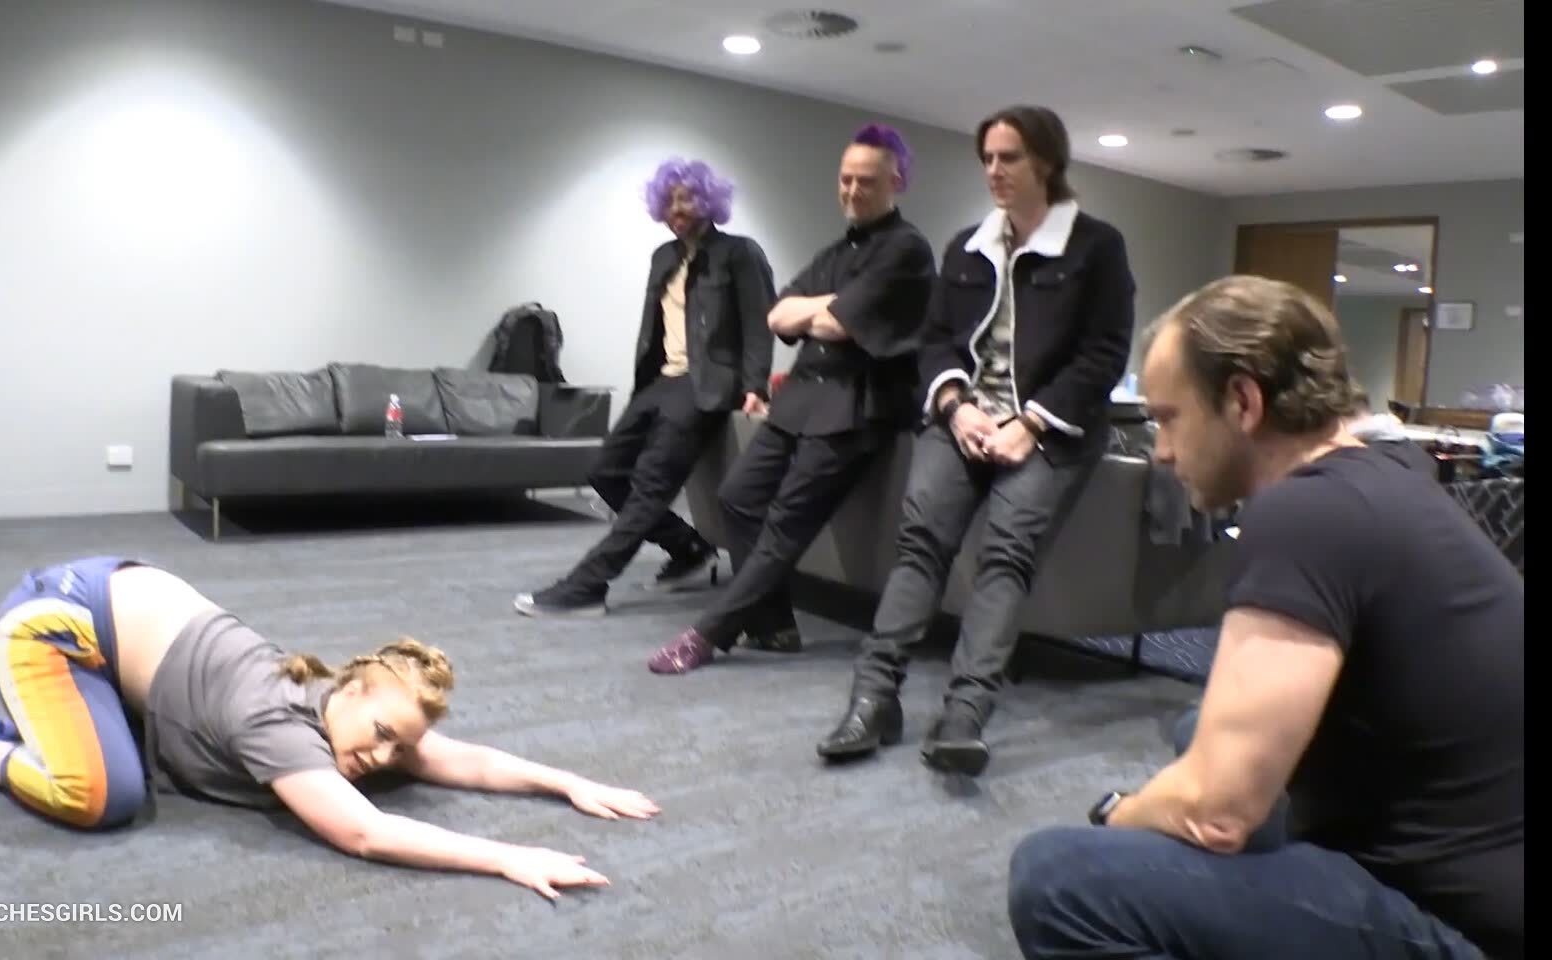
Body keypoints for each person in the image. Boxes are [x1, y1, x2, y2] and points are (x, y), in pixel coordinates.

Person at [1007, 276, 1523, 959]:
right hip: (1478, 848)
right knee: (1197, 730)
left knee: (1057, 879)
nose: (1160, 450)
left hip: (1462, 925)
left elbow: (1215, 814)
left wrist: (1117, 814)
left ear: (1243, 402)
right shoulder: (1388, 470)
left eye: (1169, 418)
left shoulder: (1303, 513)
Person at [0, 557, 660, 900]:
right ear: (349, 688)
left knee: (132, 755)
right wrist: (508, 856)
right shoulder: (279, 721)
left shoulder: (343, 703)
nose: (384, 755)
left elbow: (461, 761)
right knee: (104, 796)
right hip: (55, 625)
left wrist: (567, 783)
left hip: (129, 622)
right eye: (380, 732)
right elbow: (363, 833)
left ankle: (90, 719)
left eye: (398, 745)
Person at [815, 105, 1136, 775]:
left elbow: (1103, 355)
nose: (994, 170)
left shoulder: (1096, 247)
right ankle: (874, 697)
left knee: (1007, 552)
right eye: (987, 158)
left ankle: (965, 712)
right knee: (921, 540)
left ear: (1046, 162)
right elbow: (935, 343)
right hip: (965, 417)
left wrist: (1033, 423)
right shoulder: (968, 246)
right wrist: (956, 407)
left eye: (1008, 157)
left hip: (1050, 429)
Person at [645, 123, 935, 674]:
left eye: (866, 181)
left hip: (856, 410)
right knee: (736, 498)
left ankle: (708, 634)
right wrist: (830, 307)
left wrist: (826, 311)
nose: (852, 190)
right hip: (800, 400)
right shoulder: (836, 251)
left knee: (785, 525)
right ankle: (774, 624)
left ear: (896, 181)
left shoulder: (908, 250)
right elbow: (779, 314)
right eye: (845, 179)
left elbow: (839, 324)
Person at [515, 159, 777, 617]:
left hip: (707, 385)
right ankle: (688, 548)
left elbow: (760, 324)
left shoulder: (739, 253)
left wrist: (756, 385)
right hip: (660, 382)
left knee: (651, 485)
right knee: (604, 471)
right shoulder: (664, 257)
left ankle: (587, 585)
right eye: (669, 201)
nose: (677, 209)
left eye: (687, 199)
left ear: (709, 201)